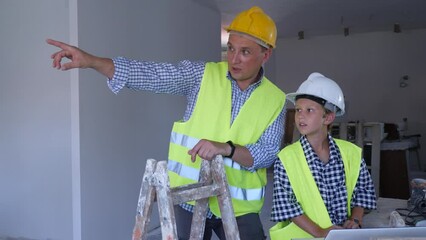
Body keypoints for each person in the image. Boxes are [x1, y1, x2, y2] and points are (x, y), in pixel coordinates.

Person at [48, 6, 286, 240]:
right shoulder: (201, 75)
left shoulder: (275, 99)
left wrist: (227, 148)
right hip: (189, 198)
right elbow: (151, 75)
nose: (233, 59)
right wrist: (91, 61)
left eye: (245, 52)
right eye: (231, 48)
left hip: (239, 207)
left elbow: (267, 154)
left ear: (266, 55)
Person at [269, 72, 377, 240]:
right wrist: (322, 232)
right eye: (298, 110)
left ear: (328, 117)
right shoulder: (286, 158)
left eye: (309, 110)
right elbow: (288, 207)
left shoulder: (350, 153)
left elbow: (363, 190)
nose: (300, 116)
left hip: (343, 235)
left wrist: (355, 219)